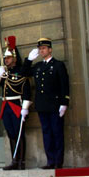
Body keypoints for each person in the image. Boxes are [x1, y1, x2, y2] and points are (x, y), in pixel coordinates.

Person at [22, 38, 69, 169]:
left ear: (50, 49)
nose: (41, 51)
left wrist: (64, 102)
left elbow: (64, 85)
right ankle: (50, 160)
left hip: (55, 105)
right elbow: (23, 73)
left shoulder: (58, 65)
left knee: (57, 132)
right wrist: (29, 60)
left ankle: (58, 161)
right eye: (40, 49)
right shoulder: (38, 66)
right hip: (42, 105)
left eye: (44, 48)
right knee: (47, 133)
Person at [0, 36, 32, 170]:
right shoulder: (5, 73)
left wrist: (25, 108)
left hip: (17, 106)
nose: (5, 60)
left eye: (8, 58)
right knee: (11, 134)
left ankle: (21, 161)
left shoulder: (21, 72)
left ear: (14, 58)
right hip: (6, 106)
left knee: (19, 133)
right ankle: (14, 160)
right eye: (5, 58)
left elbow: (26, 90)